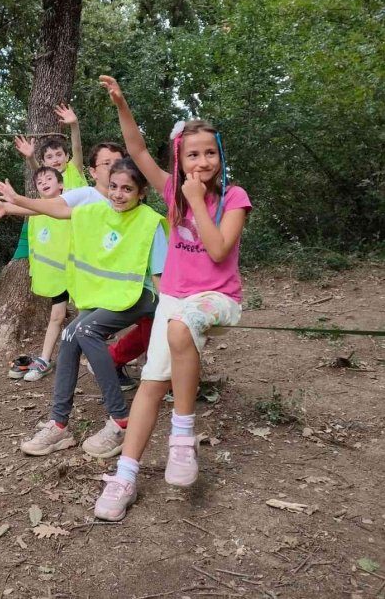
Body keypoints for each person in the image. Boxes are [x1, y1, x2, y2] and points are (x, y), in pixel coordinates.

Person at [93, 76, 251, 521]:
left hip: (217, 299)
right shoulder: (168, 189)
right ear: (179, 160)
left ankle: (182, 439)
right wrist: (123, 104)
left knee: (181, 327)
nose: (203, 160)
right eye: (193, 154)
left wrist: (197, 200)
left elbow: (219, 249)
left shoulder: (234, 197)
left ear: (220, 156)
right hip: (174, 299)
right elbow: (136, 150)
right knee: (149, 384)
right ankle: (124, 476)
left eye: (210, 152)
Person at [0, 158, 168, 459]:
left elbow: (159, 277)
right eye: (113, 187)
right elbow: (58, 209)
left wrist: (168, 315)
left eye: (127, 189)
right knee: (70, 335)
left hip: (143, 295)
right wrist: (13, 204)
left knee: (83, 330)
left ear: (142, 192)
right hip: (109, 295)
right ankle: (59, 425)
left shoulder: (149, 222)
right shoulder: (97, 211)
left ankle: (121, 420)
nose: (118, 194)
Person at [0, 142, 146, 390]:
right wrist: (9, 205)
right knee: (87, 328)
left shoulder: (130, 198)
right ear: (93, 172)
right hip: (95, 279)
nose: (114, 167)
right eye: (106, 164)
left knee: (149, 320)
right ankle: (101, 379)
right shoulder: (86, 195)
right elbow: (51, 206)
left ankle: (143, 370)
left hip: (127, 276)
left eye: (118, 161)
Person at [15, 166, 71, 381]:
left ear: (62, 185)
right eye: (40, 182)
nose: (45, 182)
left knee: (92, 319)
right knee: (56, 317)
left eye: (50, 178)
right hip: (58, 277)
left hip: (80, 274)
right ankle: (45, 360)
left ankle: (107, 357)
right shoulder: (35, 212)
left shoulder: (72, 205)